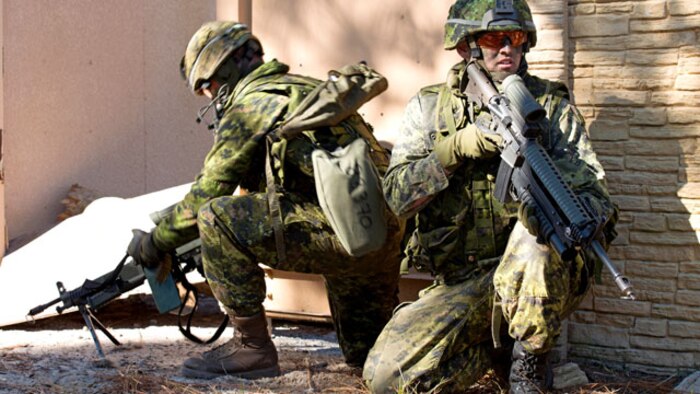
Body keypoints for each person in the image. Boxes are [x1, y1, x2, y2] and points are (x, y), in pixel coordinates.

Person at [362, 0, 618, 393]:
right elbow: (397, 197)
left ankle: (528, 370)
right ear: (466, 47)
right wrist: (453, 151)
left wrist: (565, 201)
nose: (507, 49)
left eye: (515, 38)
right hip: (466, 280)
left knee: (537, 242)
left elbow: (593, 189)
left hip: (537, 277)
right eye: (494, 38)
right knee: (385, 379)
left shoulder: (549, 107)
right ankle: (496, 351)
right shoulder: (431, 108)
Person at [127, 21, 403, 379]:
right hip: (376, 235)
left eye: (207, 86)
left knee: (217, 217)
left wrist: (155, 243)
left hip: (339, 233)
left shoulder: (253, 105)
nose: (211, 97)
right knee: (370, 362)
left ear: (224, 69)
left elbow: (206, 198)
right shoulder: (305, 89)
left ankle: (252, 348)